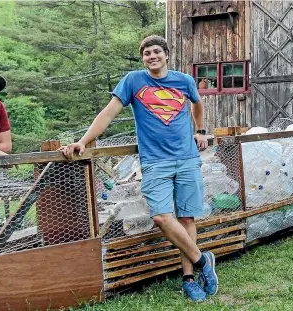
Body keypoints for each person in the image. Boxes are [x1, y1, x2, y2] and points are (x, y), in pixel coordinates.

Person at [61, 35, 217, 302]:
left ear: (167, 55)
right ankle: (204, 261)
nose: (152, 56)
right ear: (143, 58)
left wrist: (200, 131)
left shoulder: (184, 81)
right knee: (161, 217)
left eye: (157, 51)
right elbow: (108, 114)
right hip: (155, 161)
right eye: (146, 53)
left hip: (188, 158)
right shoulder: (134, 81)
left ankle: (189, 278)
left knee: (187, 218)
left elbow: (197, 104)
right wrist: (84, 141)